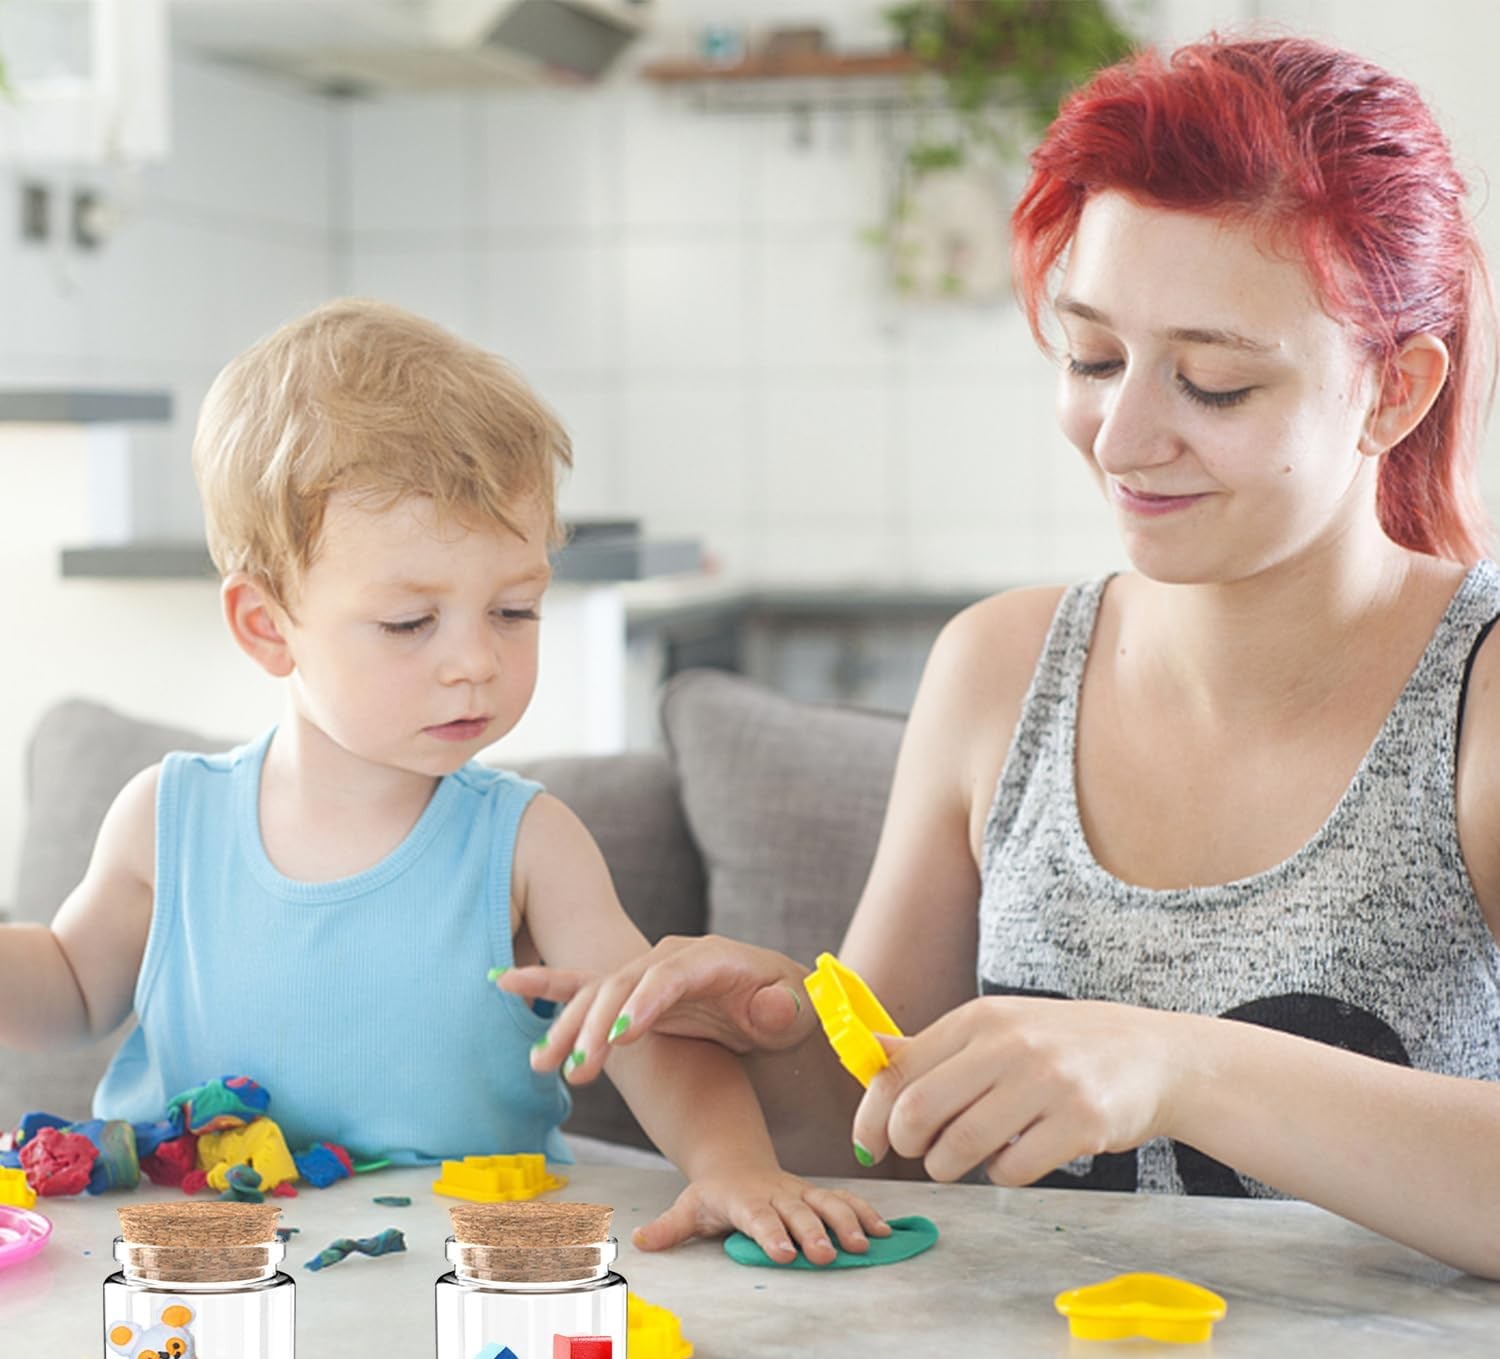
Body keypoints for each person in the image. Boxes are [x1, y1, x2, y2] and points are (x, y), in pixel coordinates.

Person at [510, 35, 1500, 1279]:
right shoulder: (999, 667)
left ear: (1393, 394)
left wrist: (1178, 1065)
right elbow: (884, 1136)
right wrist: (772, 1040)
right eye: (1091, 358)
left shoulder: (1478, 697)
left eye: (1213, 382)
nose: (1124, 435)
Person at [0, 299, 888, 1264]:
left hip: (462, 1278)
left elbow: (643, 1032)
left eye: (513, 609)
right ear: (267, 625)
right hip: (205, 1280)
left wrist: (732, 1167)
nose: (474, 661)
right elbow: (69, 986)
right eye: (410, 624)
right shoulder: (166, 820)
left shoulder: (532, 847)